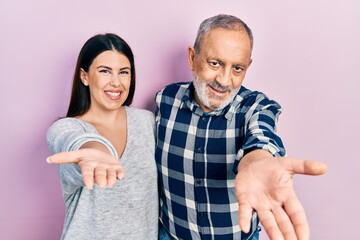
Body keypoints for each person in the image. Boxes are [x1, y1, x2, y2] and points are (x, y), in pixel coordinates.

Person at [155, 14, 327, 240]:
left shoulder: (257, 106)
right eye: (215, 63)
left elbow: (262, 138)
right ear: (192, 57)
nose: (225, 81)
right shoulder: (165, 99)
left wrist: (258, 163)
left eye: (237, 68)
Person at [46, 33, 158, 240]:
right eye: (105, 71)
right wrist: (94, 150)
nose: (116, 82)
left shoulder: (147, 123)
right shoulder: (66, 128)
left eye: (124, 72)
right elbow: (70, 140)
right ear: (84, 76)